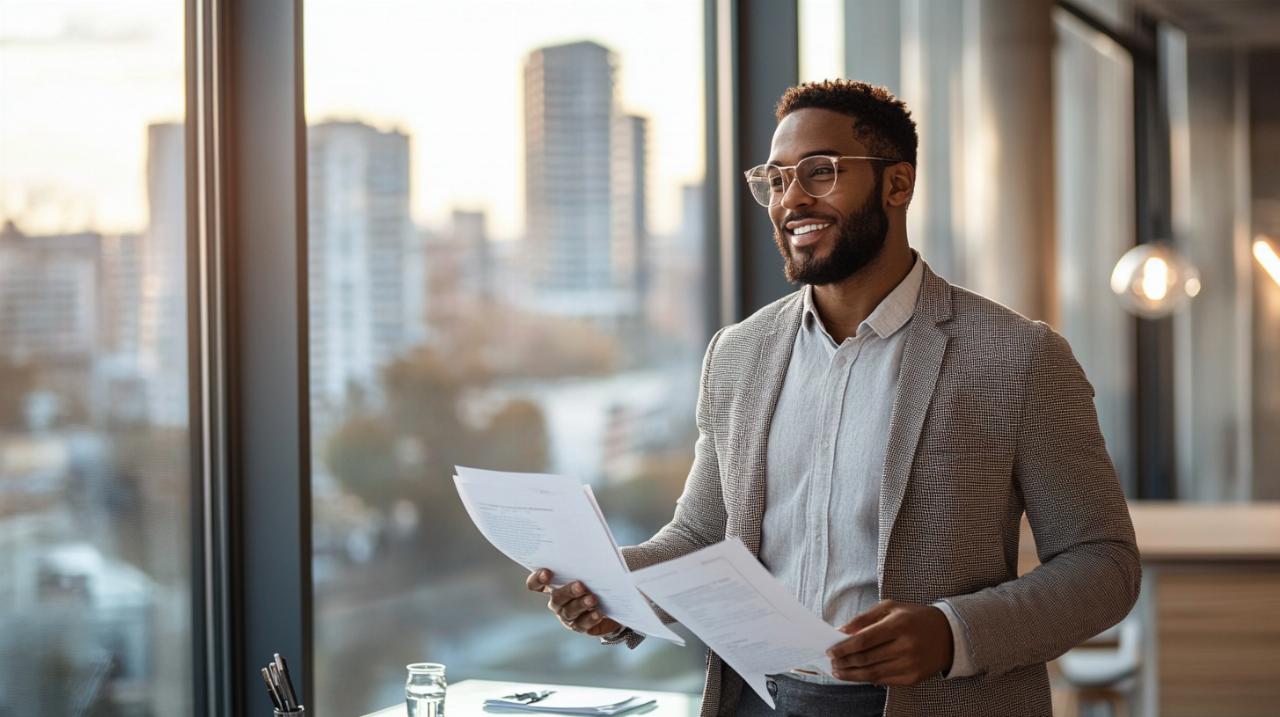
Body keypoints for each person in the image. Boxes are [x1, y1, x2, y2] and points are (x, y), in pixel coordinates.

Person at [525, 79, 1140, 717]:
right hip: (753, 699)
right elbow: (703, 537)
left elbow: (1104, 564)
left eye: (821, 172)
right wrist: (615, 588)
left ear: (897, 185)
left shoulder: (1017, 357)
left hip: (930, 703)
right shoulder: (738, 353)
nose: (792, 198)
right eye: (777, 177)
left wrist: (952, 633)